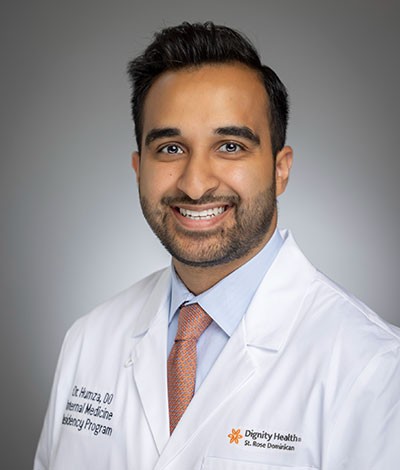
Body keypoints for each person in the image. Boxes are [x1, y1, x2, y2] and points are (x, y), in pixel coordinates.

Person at [34, 22, 400, 469]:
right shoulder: (89, 341)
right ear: (138, 168)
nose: (195, 184)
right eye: (170, 149)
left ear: (280, 169)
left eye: (229, 146)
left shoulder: (373, 369)